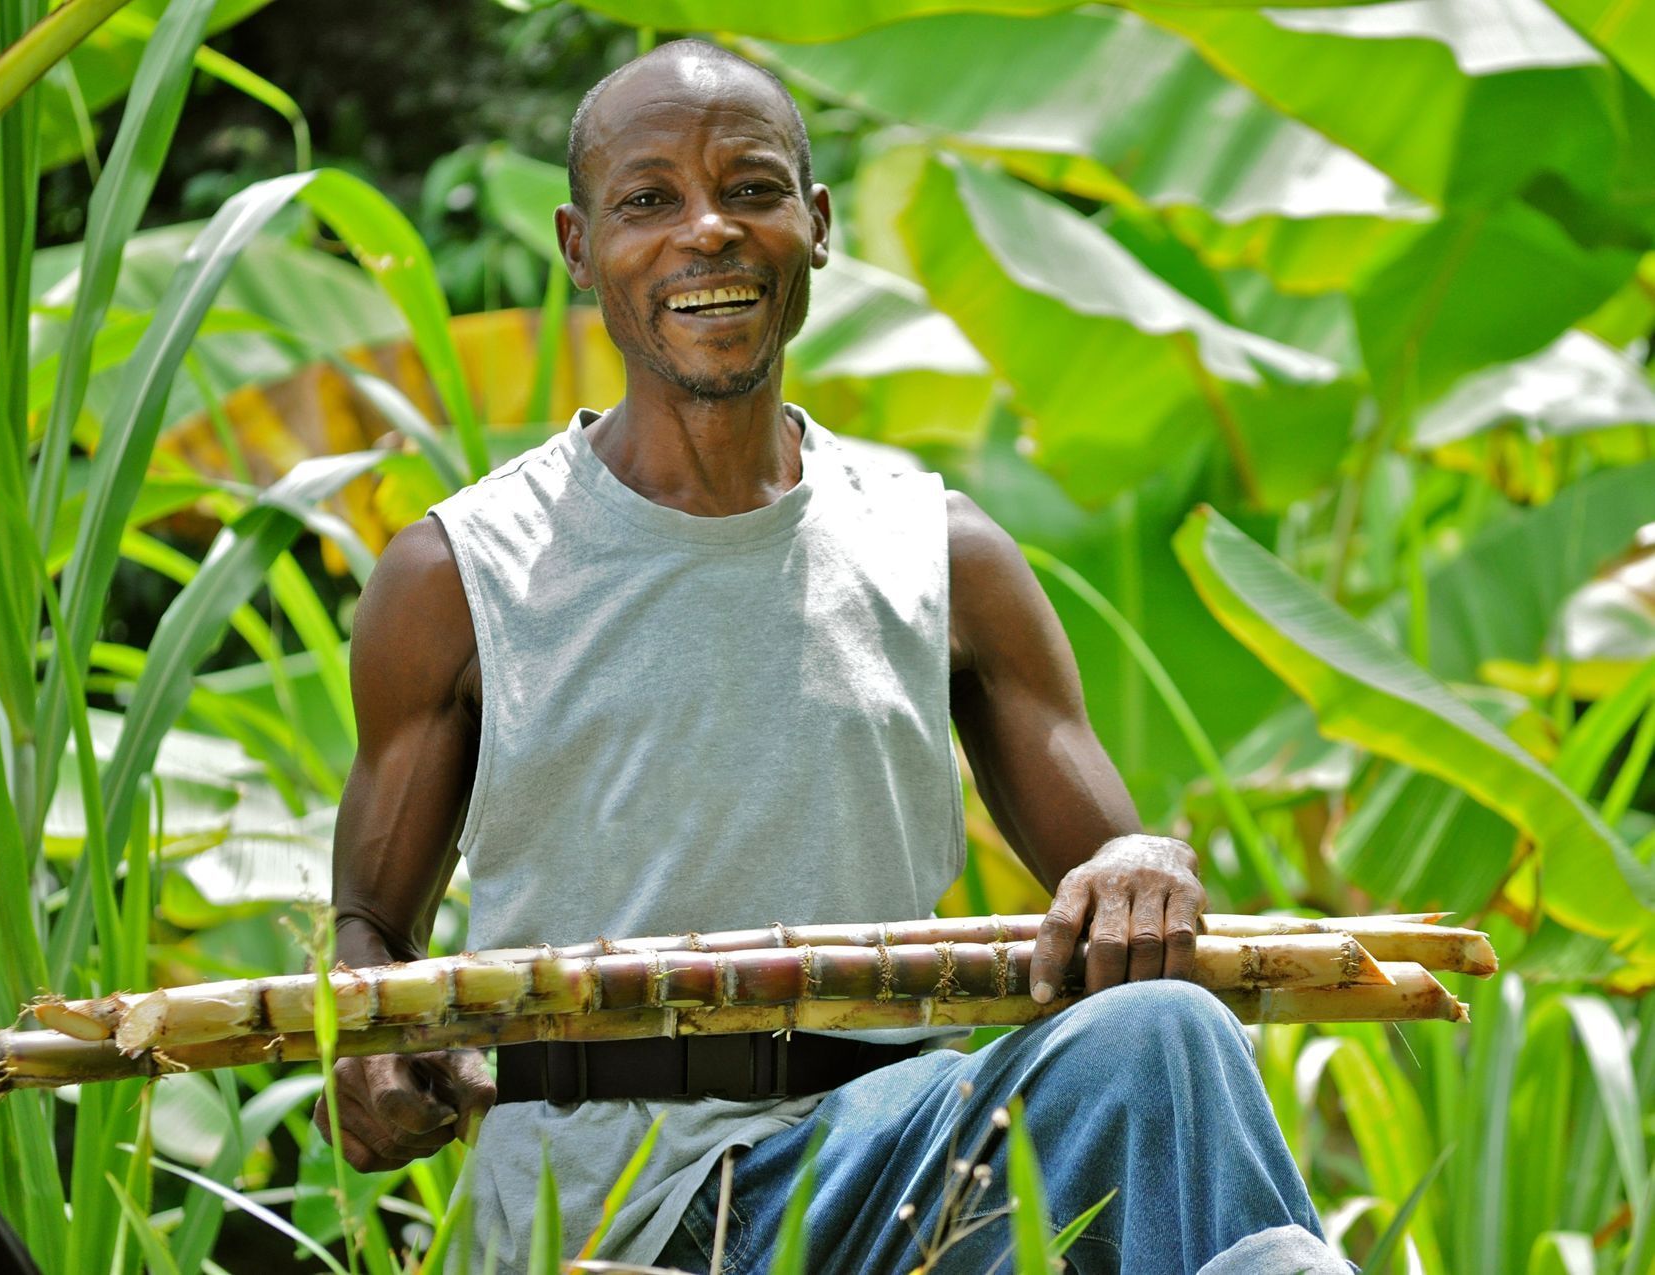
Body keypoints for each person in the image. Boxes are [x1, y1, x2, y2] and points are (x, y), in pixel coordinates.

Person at [314, 39, 1352, 1275]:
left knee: (1175, 1060)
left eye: (749, 191)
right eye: (648, 201)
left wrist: (1141, 865)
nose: (706, 232)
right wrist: (365, 1038)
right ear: (580, 248)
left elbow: (1108, 877)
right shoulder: (457, 574)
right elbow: (368, 928)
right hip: (636, 1207)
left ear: (813, 226)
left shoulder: (941, 549)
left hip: (906, 1158)